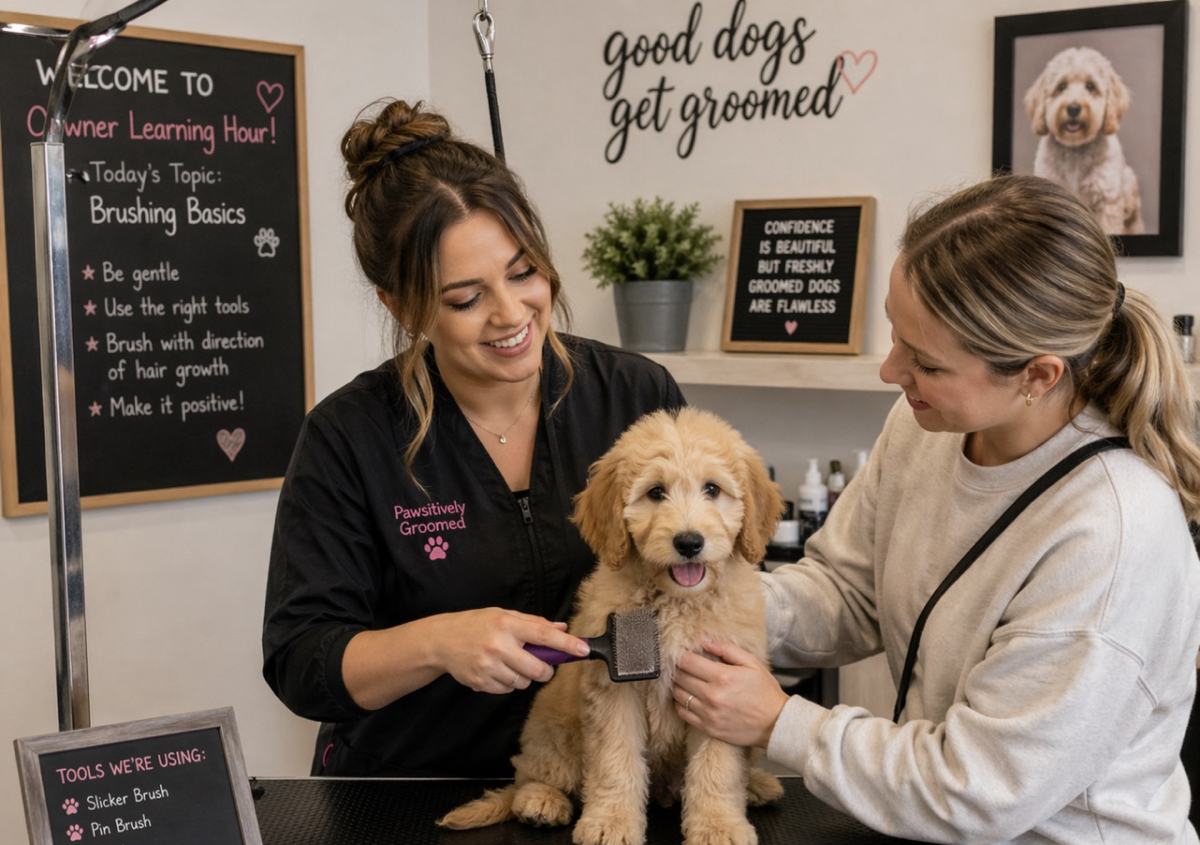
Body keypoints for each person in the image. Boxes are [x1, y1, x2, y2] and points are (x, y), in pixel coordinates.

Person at [672, 175, 1200, 844]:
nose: (891, 372)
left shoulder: (1112, 536)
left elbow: (977, 789)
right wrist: (709, 612)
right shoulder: (926, 424)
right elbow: (846, 588)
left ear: (1038, 376)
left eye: (924, 361)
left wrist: (779, 721)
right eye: (896, 336)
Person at [262, 99, 685, 778]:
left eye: (523, 272)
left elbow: (691, 582)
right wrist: (437, 642)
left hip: (601, 786)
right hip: (407, 795)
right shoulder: (350, 436)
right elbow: (300, 660)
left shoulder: (634, 398)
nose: (512, 313)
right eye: (465, 298)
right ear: (400, 304)